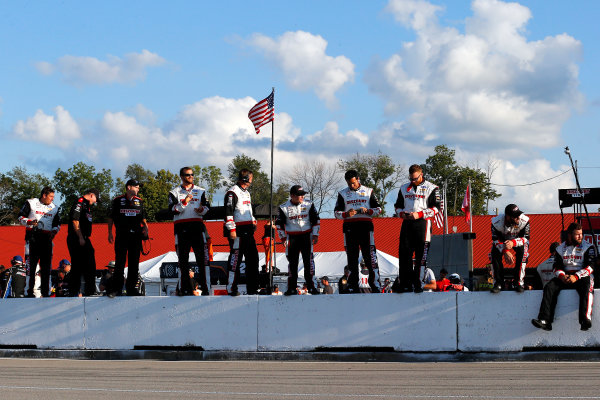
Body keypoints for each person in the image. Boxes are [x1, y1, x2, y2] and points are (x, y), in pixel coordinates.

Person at [532, 222, 596, 331]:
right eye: (577, 234)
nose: (580, 236)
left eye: (581, 234)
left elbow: (591, 267)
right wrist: (562, 276)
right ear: (570, 235)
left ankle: (585, 319)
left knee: (588, 283)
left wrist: (576, 276)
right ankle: (545, 320)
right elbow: (556, 267)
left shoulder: (588, 247)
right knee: (549, 287)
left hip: (582, 277)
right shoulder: (560, 249)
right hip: (565, 277)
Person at [394, 164, 441, 293]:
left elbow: (437, 208)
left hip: (423, 224)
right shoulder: (404, 188)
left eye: (415, 179)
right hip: (407, 223)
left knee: (421, 257)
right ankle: (405, 284)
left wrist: (419, 214)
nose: (413, 181)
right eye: (411, 179)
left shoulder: (432, 188)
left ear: (421, 174)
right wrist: (402, 214)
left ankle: (418, 284)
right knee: (404, 255)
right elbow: (397, 206)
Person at [334, 170, 382, 293]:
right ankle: (352, 285)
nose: (352, 186)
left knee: (370, 256)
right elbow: (336, 213)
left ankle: (375, 285)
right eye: (349, 183)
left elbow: (378, 209)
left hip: (366, 226)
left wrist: (368, 211)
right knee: (352, 258)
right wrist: (346, 214)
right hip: (350, 227)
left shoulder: (368, 191)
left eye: (354, 183)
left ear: (358, 179)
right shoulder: (342, 193)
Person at [168, 167, 210, 296]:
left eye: (192, 175)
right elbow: (172, 209)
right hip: (182, 228)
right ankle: (184, 288)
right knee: (183, 260)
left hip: (197, 227)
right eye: (187, 175)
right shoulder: (174, 192)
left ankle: (205, 288)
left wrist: (202, 210)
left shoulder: (200, 190)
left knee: (202, 259)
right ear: (181, 176)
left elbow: (208, 207)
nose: (190, 177)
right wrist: (184, 203)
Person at [107, 179, 149, 297]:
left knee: (134, 263)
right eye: (136, 187)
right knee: (119, 263)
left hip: (135, 236)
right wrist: (110, 232)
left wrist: (146, 227)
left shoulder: (139, 201)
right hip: (122, 235)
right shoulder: (117, 200)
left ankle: (131, 289)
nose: (138, 189)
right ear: (129, 187)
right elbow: (110, 217)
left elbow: (143, 217)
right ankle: (117, 289)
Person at [276, 185, 320, 296]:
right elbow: (278, 224)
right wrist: (283, 238)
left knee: (308, 263)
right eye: (300, 195)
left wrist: (315, 234)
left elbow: (316, 220)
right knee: (292, 264)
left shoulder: (309, 204)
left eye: (303, 194)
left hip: (307, 236)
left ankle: (311, 287)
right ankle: (291, 288)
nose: (302, 196)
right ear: (292, 196)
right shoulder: (283, 207)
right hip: (292, 237)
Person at [18, 187, 61, 298]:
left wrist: (54, 232)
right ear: (44, 195)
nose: (52, 199)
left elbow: (57, 223)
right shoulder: (31, 203)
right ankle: (29, 292)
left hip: (47, 239)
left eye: (53, 197)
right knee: (31, 268)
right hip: (32, 238)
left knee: (46, 268)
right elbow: (20, 216)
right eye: (51, 196)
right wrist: (29, 221)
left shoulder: (54, 208)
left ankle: (46, 292)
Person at [224, 169, 259, 296]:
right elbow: (228, 212)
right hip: (237, 231)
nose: (252, 180)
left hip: (248, 231)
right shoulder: (232, 192)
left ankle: (253, 289)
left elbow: (248, 209)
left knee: (253, 259)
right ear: (245, 178)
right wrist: (232, 230)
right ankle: (232, 288)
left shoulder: (247, 193)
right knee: (235, 260)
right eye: (251, 178)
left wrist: (253, 221)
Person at [67, 188, 100, 297]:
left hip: (84, 238)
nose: (95, 201)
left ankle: (90, 290)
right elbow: (75, 220)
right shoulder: (79, 202)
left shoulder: (87, 206)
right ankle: (74, 291)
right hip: (76, 237)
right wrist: (80, 237)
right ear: (91, 195)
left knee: (90, 263)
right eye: (96, 199)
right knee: (77, 265)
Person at [490, 204, 530, 293]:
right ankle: (498, 283)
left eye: (519, 214)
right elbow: (495, 240)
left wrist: (513, 242)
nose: (518, 217)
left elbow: (526, 238)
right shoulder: (496, 222)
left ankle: (518, 282)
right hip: (502, 241)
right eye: (515, 216)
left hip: (518, 240)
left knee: (524, 253)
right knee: (493, 253)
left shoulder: (524, 220)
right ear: (508, 217)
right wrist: (505, 251)